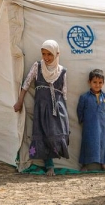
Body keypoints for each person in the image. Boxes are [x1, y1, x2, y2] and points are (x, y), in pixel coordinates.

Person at [14, 39, 69, 176]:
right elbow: (26, 84)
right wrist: (20, 101)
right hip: (41, 107)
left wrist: (64, 114)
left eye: (50, 54)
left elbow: (64, 92)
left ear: (57, 54)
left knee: (55, 135)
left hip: (57, 109)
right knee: (43, 134)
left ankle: (54, 162)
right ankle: (49, 165)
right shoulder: (37, 67)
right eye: (44, 54)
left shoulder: (62, 71)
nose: (47, 58)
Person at [77, 69, 105, 171]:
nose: (97, 85)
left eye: (100, 82)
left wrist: (104, 122)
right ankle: (84, 164)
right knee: (87, 143)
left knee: (102, 144)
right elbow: (80, 110)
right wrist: (82, 121)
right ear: (89, 82)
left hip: (101, 126)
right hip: (89, 125)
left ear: (103, 83)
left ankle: (102, 163)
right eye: (95, 82)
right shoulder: (84, 97)